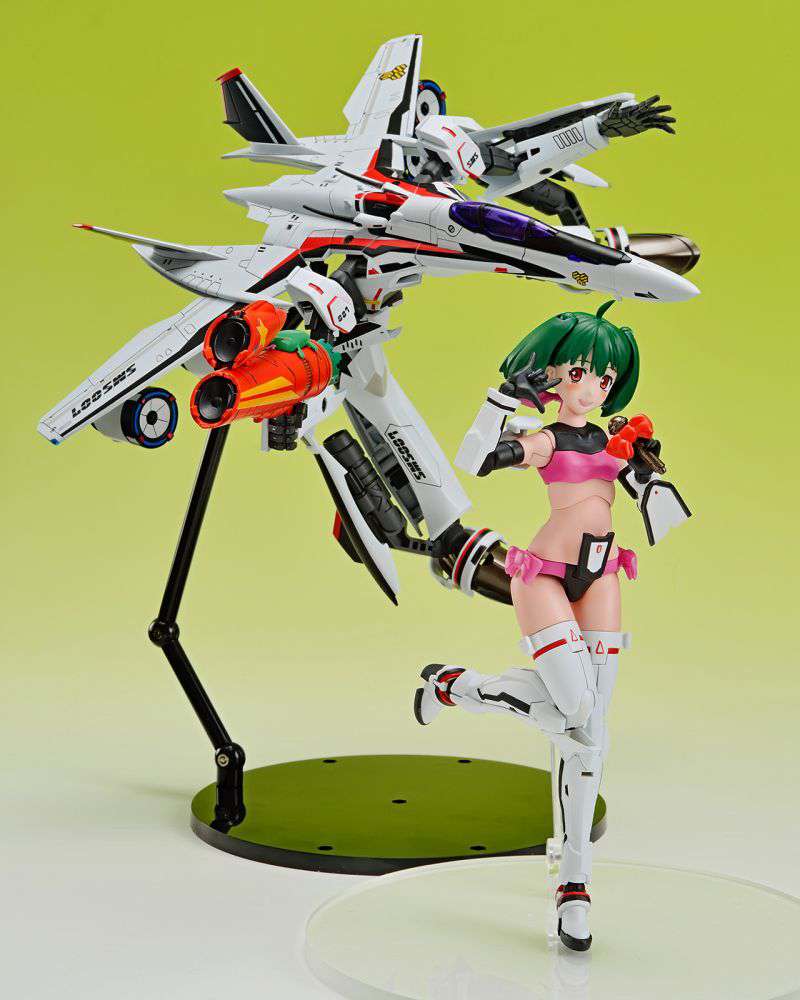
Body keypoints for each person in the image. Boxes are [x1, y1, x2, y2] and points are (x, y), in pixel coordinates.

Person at [414, 302, 688, 951]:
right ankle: (460, 688)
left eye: (603, 376)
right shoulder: (548, 439)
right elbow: (475, 459)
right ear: (554, 374)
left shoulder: (613, 444)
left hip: (603, 576)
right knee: (579, 709)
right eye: (579, 372)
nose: (591, 386)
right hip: (543, 574)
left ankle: (574, 884)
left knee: (589, 735)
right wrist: (499, 398)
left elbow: (655, 500)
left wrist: (647, 468)